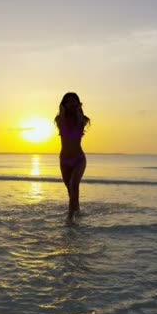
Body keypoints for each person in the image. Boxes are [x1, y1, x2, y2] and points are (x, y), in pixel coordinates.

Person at [55, 92, 90, 224]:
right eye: (68, 101)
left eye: (74, 101)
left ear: (78, 103)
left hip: (79, 159)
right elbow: (62, 124)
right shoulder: (59, 119)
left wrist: (78, 111)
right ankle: (77, 210)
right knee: (71, 190)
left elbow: (81, 121)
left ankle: (70, 218)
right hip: (64, 160)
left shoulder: (82, 119)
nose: (71, 103)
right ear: (64, 104)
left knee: (73, 184)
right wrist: (62, 111)